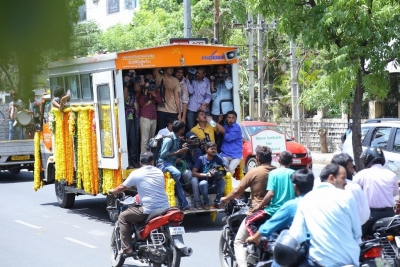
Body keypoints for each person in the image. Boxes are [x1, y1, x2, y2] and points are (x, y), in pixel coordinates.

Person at [289, 163, 361, 266]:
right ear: (331, 178)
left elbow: (297, 235)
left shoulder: (307, 199)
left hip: (319, 261)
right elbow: (357, 233)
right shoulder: (347, 197)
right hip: (349, 260)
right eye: (343, 178)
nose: (346, 182)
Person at [220, 145, 276, 267]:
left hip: (258, 212)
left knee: (238, 241)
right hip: (276, 213)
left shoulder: (254, 172)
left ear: (257, 159)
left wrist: (225, 198)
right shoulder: (276, 171)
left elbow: (237, 191)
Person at [108, 152, 169, 256]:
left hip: (149, 209)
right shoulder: (159, 172)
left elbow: (123, 187)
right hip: (165, 208)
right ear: (152, 162)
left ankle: (127, 249)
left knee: (123, 217)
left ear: (140, 162)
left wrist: (113, 191)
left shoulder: (137, 173)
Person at [246, 168, 314, 246]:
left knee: (248, 221)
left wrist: (254, 238)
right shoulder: (321, 202)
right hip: (323, 250)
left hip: (306, 251)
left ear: (295, 187)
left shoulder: (293, 205)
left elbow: (269, 226)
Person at [244, 151, 296, 239]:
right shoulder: (294, 173)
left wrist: (259, 206)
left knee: (248, 221)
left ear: (279, 160)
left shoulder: (274, 173)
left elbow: (270, 193)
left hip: (274, 211)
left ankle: (257, 241)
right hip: (291, 212)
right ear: (291, 162)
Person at [353, 146, 398, 235]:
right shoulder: (392, 175)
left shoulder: (362, 174)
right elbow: (394, 193)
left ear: (367, 159)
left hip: (370, 215)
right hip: (389, 214)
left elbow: (353, 192)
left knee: (356, 237)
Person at [156, 120, 192, 210]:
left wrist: (179, 153)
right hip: (162, 163)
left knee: (186, 172)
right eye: (183, 128)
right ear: (181, 130)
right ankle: (175, 190)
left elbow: (173, 152)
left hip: (171, 163)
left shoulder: (176, 138)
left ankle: (184, 204)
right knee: (177, 174)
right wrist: (177, 153)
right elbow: (163, 155)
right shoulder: (169, 139)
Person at [330, 153, 370, 225]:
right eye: (351, 167)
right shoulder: (354, 187)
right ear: (342, 169)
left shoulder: (319, 184)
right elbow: (364, 216)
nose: (353, 171)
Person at [192, 142, 228, 210]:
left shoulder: (217, 157)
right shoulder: (201, 159)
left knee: (222, 181)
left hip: (213, 184)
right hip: (203, 186)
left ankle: (217, 202)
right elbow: (193, 173)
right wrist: (206, 175)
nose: (214, 150)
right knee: (203, 183)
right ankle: (206, 203)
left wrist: (222, 170)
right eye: (212, 149)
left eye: (215, 149)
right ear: (206, 149)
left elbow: (226, 167)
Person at [138, 74, 162, 154]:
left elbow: (159, 101)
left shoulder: (156, 90)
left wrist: (153, 94)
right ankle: (143, 160)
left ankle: (150, 158)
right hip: (145, 116)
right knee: (144, 140)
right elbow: (141, 103)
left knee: (152, 140)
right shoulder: (142, 90)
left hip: (153, 117)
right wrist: (145, 91)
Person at [180, 131, 203, 210]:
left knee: (194, 180)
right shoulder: (182, 147)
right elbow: (180, 159)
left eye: (194, 139)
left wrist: (193, 154)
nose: (192, 141)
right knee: (188, 173)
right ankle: (187, 189)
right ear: (187, 139)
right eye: (190, 139)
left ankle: (197, 203)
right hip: (184, 175)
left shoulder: (198, 150)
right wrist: (184, 151)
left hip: (194, 173)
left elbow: (198, 164)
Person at [155, 68, 181, 133]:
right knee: (161, 132)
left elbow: (177, 97)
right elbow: (155, 66)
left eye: (172, 68)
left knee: (172, 133)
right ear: (165, 68)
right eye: (170, 68)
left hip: (172, 111)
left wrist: (179, 113)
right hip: (161, 110)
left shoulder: (175, 80)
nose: (172, 69)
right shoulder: (159, 77)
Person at [124, 77, 141, 168]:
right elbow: (123, 98)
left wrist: (135, 80)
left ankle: (133, 160)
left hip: (134, 115)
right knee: (126, 139)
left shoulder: (132, 86)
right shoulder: (123, 85)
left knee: (134, 139)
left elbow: (137, 90)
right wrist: (126, 84)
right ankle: (127, 161)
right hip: (126, 114)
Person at [220, 110, 242, 176]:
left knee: (230, 170)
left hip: (235, 155)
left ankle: (229, 184)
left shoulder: (236, 128)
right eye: (229, 118)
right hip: (225, 154)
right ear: (226, 118)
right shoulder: (226, 126)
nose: (231, 120)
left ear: (235, 119)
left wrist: (223, 131)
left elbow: (228, 138)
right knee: (223, 169)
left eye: (233, 118)